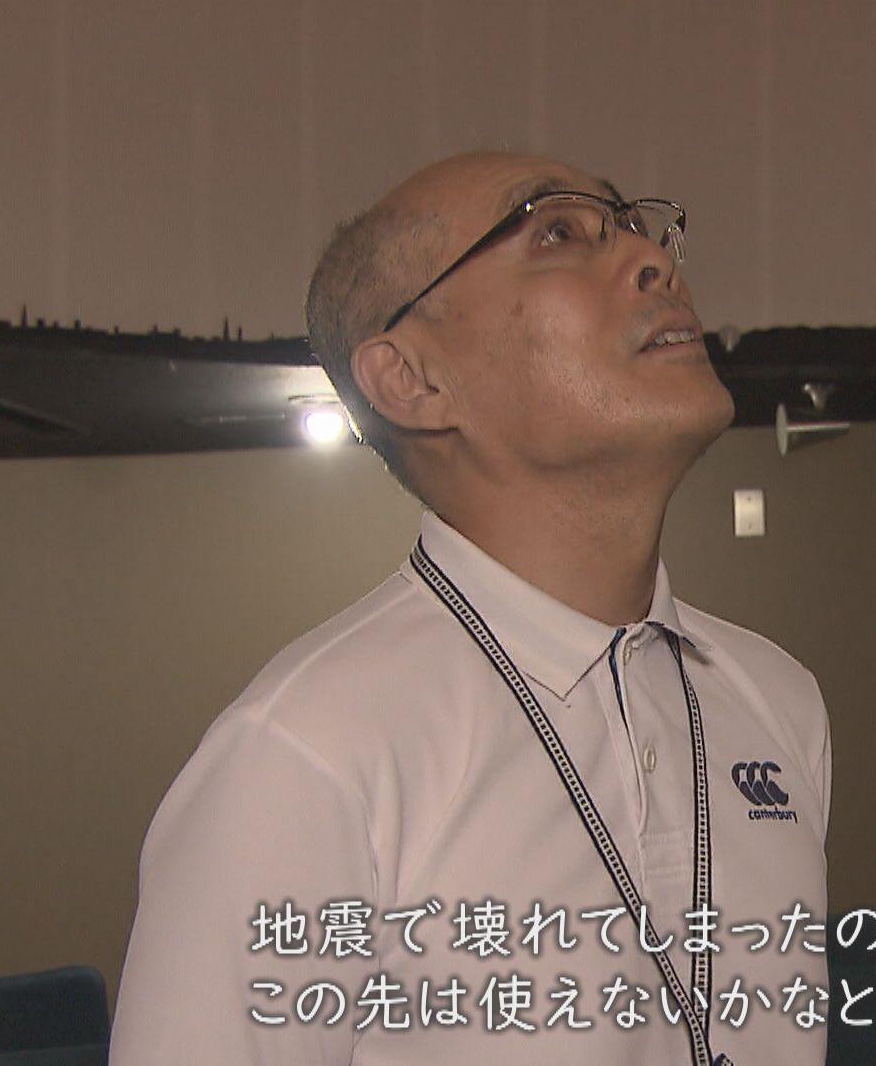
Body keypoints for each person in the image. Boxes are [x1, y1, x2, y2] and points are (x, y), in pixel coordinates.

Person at [111, 152, 832, 1065]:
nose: (655, 259)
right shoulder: (306, 753)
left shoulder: (776, 701)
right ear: (413, 380)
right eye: (556, 232)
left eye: (634, 226)